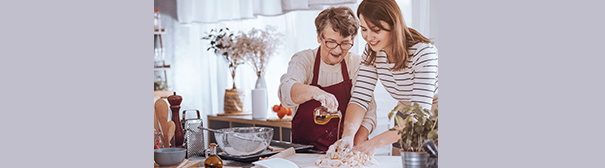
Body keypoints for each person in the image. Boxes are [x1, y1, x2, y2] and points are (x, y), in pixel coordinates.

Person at [338, 0, 438, 156]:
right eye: (364, 29)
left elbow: (419, 115)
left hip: (433, 114)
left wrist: (375, 143)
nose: (368, 37)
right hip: (405, 115)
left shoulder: (423, 52)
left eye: (376, 30)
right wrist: (348, 135)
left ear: (394, 25)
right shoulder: (372, 51)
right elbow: (359, 99)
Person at [278, 6, 377, 151]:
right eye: (331, 42)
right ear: (319, 36)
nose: (337, 50)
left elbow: (369, 114)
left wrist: (352, 145)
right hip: (305, 155)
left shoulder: (357, 64)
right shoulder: (304, 59)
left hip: (346, 154)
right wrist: (315, 92)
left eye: (345, 43)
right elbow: (285, 92)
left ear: (353, 39)